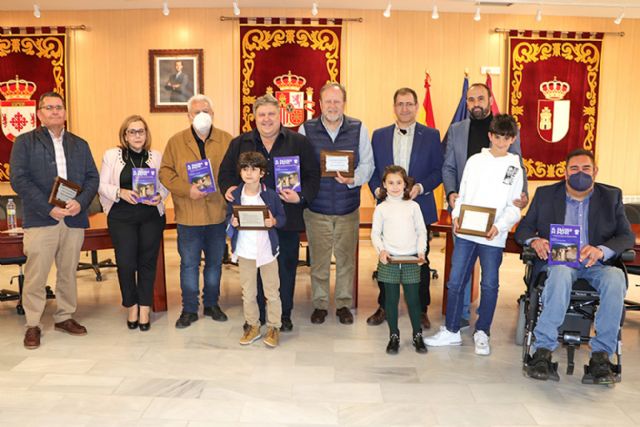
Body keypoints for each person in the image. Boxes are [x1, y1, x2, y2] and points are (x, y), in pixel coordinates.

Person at [515, 149, 634, 383]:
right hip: (560, 262)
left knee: (616, 279)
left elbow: (626, 236)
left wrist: (602, 250)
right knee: (559, 273)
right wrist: (535, 240)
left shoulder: (611, 196)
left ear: (595, 171)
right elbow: (523, 230)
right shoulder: (546, 194)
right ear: (565, 173)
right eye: (574, 169)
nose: (580, 173)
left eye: (586, 168)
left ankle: (601, 356)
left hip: (596, 262)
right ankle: (543, 351)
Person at [219, 94, 320, 332]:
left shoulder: (298, 142)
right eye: (261, 115)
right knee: (252, 271)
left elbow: (313, 175)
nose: (266, 119)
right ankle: (256, 317)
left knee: (284, 269)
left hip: (285, 219)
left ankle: (282, 315)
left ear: (280, 116)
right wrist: (228, 189)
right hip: (250, 223)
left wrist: (301, 196)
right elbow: (224, 173)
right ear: (254, 117)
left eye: (271, 114)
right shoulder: (239, 143)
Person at [424, 114, 523, 356]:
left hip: (493, 236)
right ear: (490, 136)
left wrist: (499, 227)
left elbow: (514, 207)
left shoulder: (515, 167)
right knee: (456, 281)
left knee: (489, 284)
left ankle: (482, 332)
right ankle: (451, 330)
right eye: (497, 137)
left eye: (506, 138)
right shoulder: (475, 161)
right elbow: (462, 194)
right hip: (467, 232)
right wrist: (457, 215)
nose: (501, 142)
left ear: (512, 139)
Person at [9, 91, 99, 349]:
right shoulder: (25, 142)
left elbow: (92, 178)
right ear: (39, 114)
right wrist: (49, 208)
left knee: (68, 272)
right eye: (48, 108)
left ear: (65, 113)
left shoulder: (80, 144)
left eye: (59, 107)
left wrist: (79, 203)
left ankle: (64, 316)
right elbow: (20, 180)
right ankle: (33, 324)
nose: (55, 111)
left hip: (73, 218)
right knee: (36, 275)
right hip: (41, 218)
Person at [442, 82, 529, 328]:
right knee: (459, 274)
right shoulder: (458, 132)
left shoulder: (507, 138)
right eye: (471, 99)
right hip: (465, 213)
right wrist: (452, 196)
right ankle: (457, 320)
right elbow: (449, 167)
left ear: (490, 99)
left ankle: (483, 327)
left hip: (495, 223)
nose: (476, 103)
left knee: (489, 280)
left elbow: (518, 168)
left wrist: (521, 198)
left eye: (480, 98)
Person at [368, 87, 444, 329]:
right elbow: (371, 169)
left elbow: (438, 171)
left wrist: (420, 187)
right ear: (394, 107)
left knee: (420, 260)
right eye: (400, 104)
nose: (404, 108)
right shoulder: (379, 135)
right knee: (385, 259)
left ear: (417, 106)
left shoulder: (431, 135)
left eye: (409, 104)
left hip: (418, 207)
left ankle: (420, 309)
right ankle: (384, 305)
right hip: (387, 209)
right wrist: (376, 190)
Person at [299, 82, 374, 325]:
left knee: (345, 262)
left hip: (347, 208)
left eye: (337, 101)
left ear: (344, 103)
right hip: (316, 209)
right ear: (320, 104)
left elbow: (368, 164)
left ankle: (343, 304)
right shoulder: (306, 129)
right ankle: (320, 304)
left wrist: (354, 179)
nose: (332, 106)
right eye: (328, 101)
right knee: (319, 262)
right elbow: (299, 165)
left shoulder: (358, 128)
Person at [159, 94, 232, 328]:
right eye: (197, 112)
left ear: (213, 114)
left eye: (206, 111)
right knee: (189, 264)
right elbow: (165, 172)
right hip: (188, 215)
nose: (202, 115)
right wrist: (185, 189)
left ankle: (211, 304)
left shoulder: (226, 140)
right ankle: (189, 309)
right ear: (189, 116)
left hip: (216, 214)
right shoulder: (175, 141)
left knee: (214, 263)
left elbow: (231, 172)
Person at [98, 115, 169, 331]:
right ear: (125, 135)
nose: (137, 135)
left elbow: (165, 184)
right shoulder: (112, 155)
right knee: (126, 263)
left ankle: (145, 307)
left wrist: (160, 196)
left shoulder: (156, 156)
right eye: (132, 131)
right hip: (122, 216)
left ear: (146, 134)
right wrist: (121, 192)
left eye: (141, 131)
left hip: (150, 216)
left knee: (148, 262)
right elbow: (101, 185)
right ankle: (132, 305)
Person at [226, 152, 286, 347]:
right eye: (245, 169)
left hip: (267, 251)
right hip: (245, 251)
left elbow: (283, 219)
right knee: (248, 292)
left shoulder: (270, 195)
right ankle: (253, 325)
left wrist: (273, 221)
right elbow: (227, 221)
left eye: (254, 169)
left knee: (272, 292)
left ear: (262, 173)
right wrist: (232, 222)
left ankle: (274, 326)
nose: (249, 173)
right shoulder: (235, 195)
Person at [371, 165, 428, 354]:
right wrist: (381, 251)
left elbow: (421, 231)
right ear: (384, 185)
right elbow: (375, 234)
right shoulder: (381, 208)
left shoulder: (413, 206)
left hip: (411, 258)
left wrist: (421, 251)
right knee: (391, 299)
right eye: (390, 182)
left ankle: (417, 335)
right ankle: (393, 335)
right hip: (390, 260)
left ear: (405, 185)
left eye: (399, 182)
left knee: (413, 299)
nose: (395, 186)